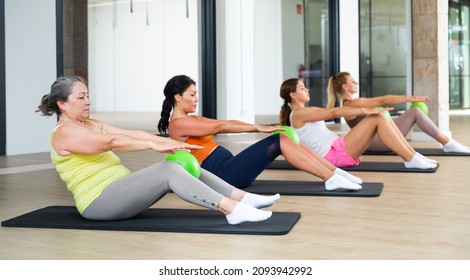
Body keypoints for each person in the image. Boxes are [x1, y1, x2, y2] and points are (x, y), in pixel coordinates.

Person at [36, 75, 280, 225]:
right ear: (62, 103)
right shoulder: (64, 133)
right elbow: (110, 142)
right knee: (168, 172)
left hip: (120, 192)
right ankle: (231, 210)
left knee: (175, 163)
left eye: (87, 95)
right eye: (81, 97)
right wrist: (153, 145)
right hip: (98, 202)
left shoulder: (89, 123)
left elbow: (130, 134)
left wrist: (168, 144)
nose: (87, 101)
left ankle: (242, 198)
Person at [158, 75, 364, 191]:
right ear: (177, 96)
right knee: (280, 140)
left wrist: (257, 125)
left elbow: (224, 122)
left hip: (230, 168)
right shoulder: (177, 125)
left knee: (284, 138)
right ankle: (330, 177)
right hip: (225, 176)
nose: (196, 99)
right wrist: (258, 128)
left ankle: (334, 173)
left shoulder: (192, 118)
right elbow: (220, 128)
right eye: (192, 95)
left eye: (196, 95)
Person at [279, 78, 438, 170]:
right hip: (332, 156)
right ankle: (411, 158)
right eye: (302, 88)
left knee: (381, 113)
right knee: (376, 116)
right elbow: (333, 113)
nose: (307, 89)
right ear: (293, 95)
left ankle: (413, 156)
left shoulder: (305, 112)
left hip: (337, 147)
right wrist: (365, 111)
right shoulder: (298, 114)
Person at [327, 71, 470, 153]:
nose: (356, 83)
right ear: (345, 87)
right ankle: (448, 143)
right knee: (415, 112)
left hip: (376, 140)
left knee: (410, 113)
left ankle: (448, 143)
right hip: (378, 142)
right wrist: (409, 98)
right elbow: (382, 100)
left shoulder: (349, 103)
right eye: (352, 82)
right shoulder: (353, 104)